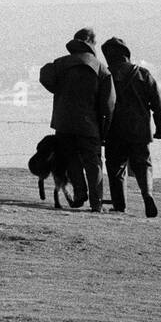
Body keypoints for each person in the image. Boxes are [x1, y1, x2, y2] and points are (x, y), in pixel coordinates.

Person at [38, 27, 115, 212]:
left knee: (71, 158)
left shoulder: (60, 64)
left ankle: (80, 195)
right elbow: (109, 104)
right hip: (90, 124)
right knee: (93, 162)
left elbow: (45, 75)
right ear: (91, 44)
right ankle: (96, 203)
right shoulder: (101, 69)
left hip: (63, 122)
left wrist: (58, 89)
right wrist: (104, 128)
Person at [101, 36, 161, 217]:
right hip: (140, 130)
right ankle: (147, 194)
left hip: (114, 131)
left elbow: (99, 104)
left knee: (116, 168)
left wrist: (100, 130)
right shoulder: (143, 74)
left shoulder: (105, 75)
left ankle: (120, 205)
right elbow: (159, 104)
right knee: (143, 164)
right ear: (126, 54)